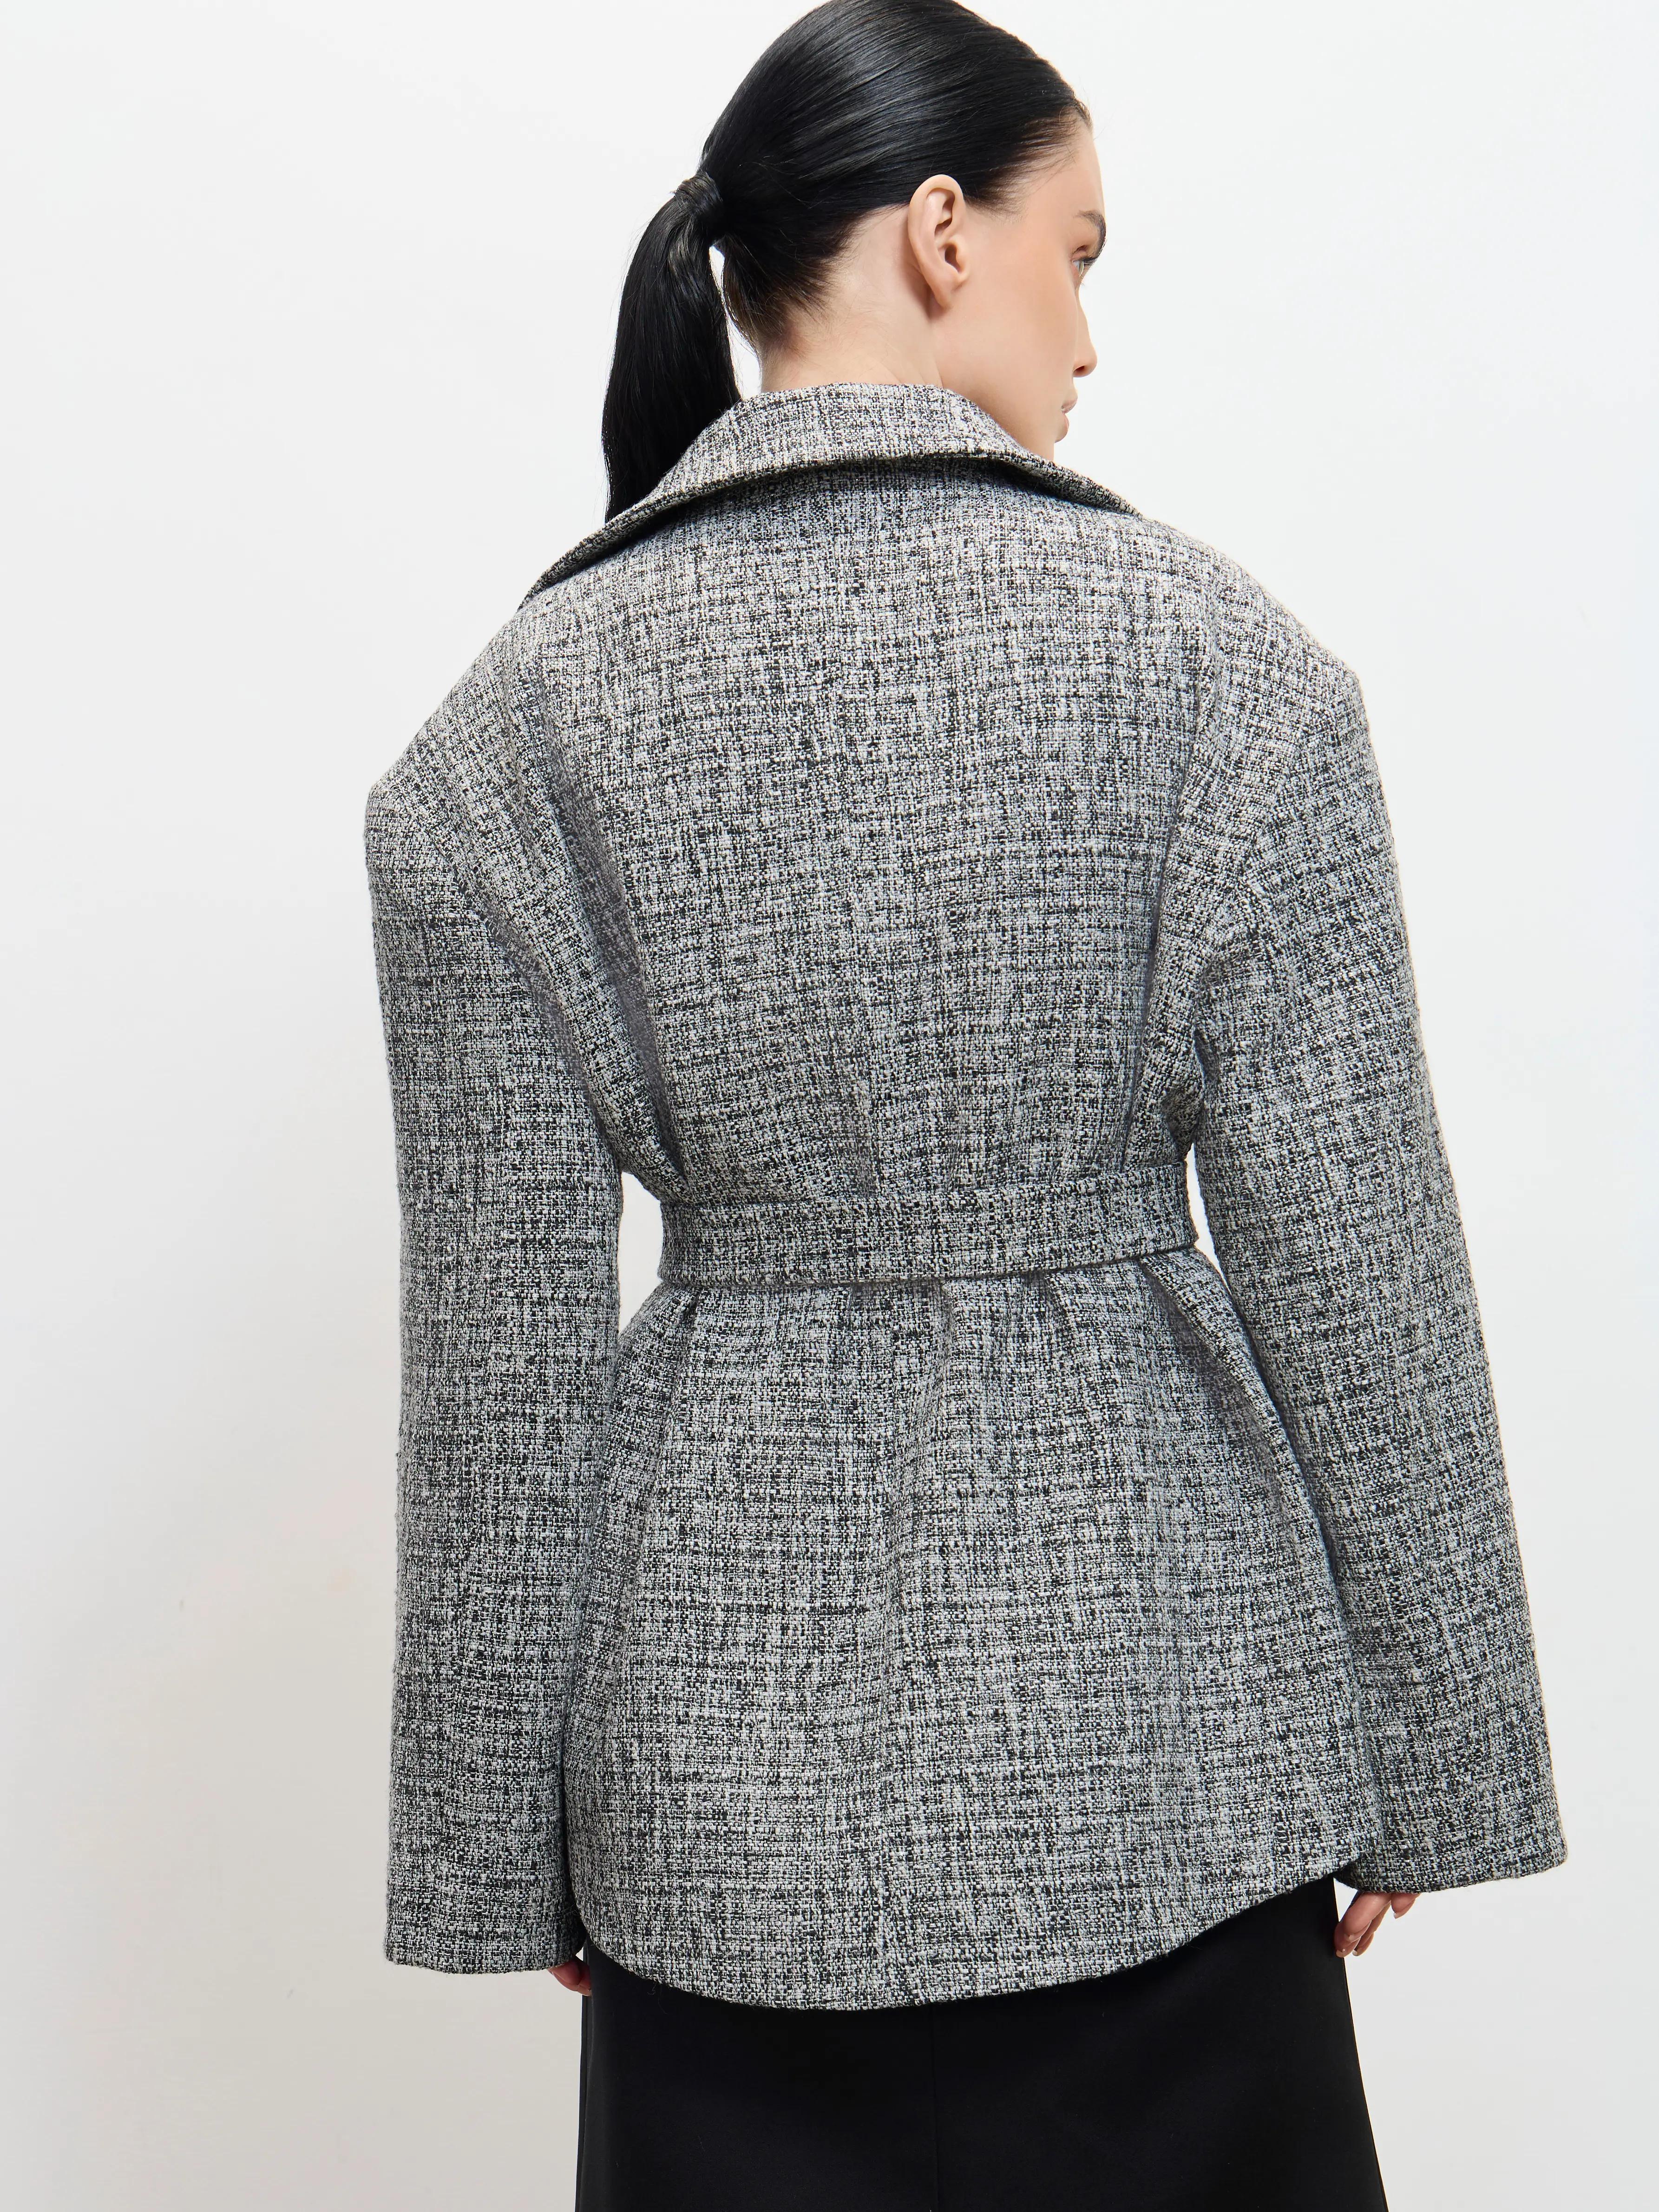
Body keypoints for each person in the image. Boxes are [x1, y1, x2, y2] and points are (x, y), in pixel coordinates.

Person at [362, 3, 1567, 2205]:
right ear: (939, 233)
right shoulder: (1225, 672)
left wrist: (497, 1834)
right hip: (1177, 1773)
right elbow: (1358, 1267)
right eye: (1073, 253)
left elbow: (501, 1374)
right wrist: (1432, 1755)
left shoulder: (507, 736)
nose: (1085, 333)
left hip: (718, 1815)